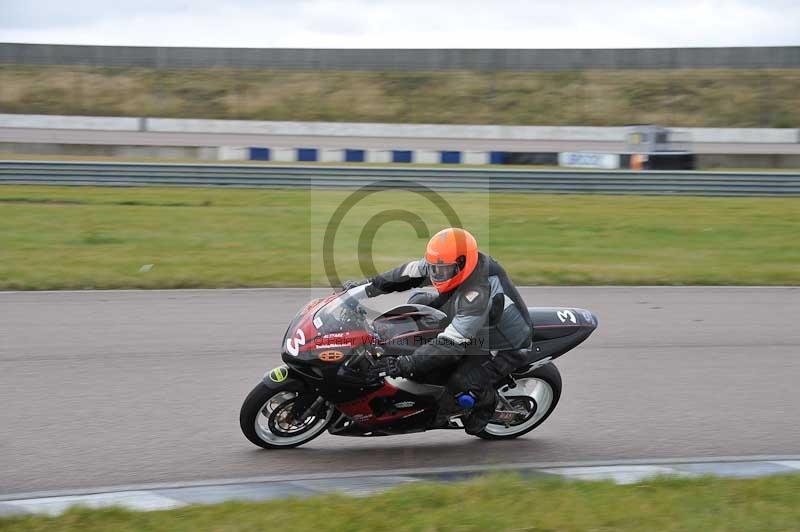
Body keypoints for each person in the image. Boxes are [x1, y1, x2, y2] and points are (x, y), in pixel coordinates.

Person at [344, 227, 532, 435]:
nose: (436, 274)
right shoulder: (448, 263)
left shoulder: (477, 291)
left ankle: (487, 404)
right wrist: (365, 288)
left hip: (503, 342)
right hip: (472, 319)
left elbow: (452, 343)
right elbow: (409, 273)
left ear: (462, 264)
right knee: (417, 305)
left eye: (442, 270)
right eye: (434, 268)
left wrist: (405, 364)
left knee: (461, 382)